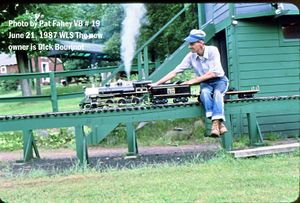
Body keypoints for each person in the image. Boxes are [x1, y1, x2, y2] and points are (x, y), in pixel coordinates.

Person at [148, 29, 229, 137]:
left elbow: (213, 73)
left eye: (192, 44)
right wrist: (156, 84)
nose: (189, 46)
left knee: (217, 94)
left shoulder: (213, 51)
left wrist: (192, 81)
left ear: (201, 43)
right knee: (204, 93)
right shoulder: (190, 57)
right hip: (205, 83)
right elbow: (175, 72)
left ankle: (215, 124)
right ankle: (220, 124)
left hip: (219, 81)